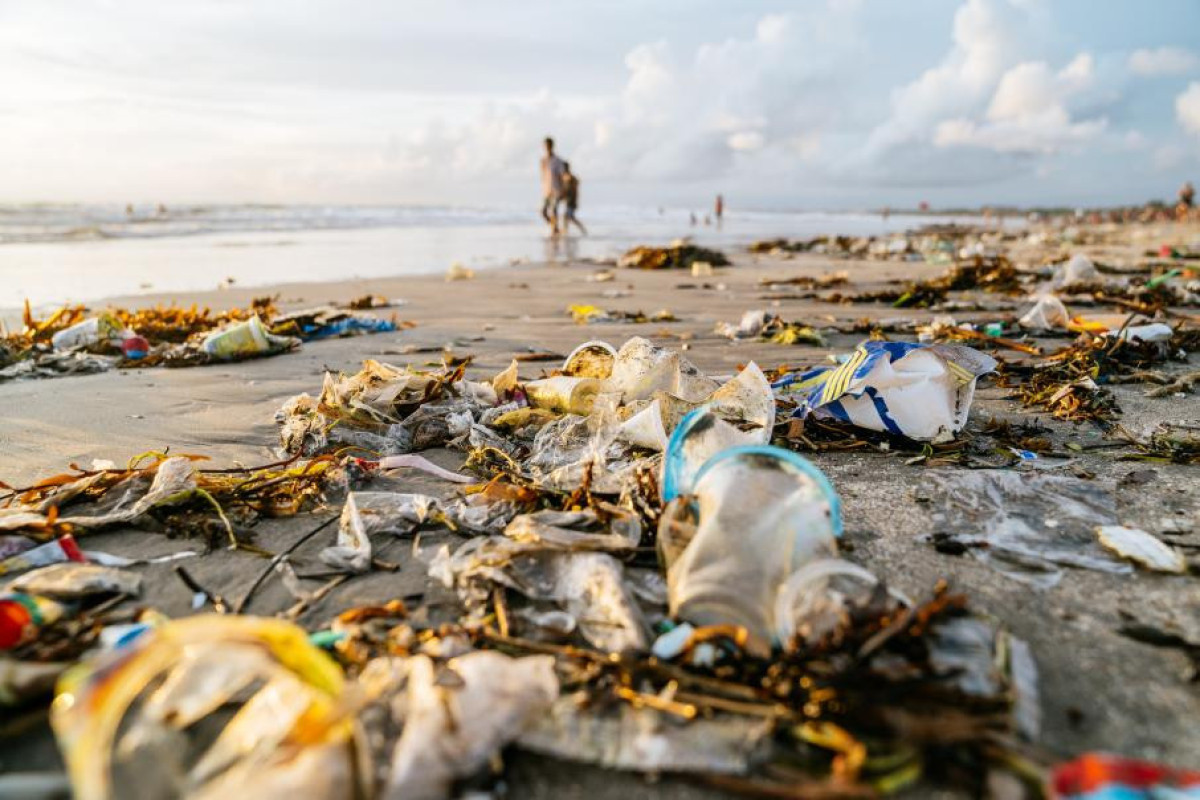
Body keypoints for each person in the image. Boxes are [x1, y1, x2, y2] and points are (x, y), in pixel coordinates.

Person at [539, 136, 566, 235]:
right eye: (545, 146)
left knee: (554, 209)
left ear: (552, 146)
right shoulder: (543, 161)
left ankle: (554, 230)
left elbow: (562, 176)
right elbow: (543, 176)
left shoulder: (558, 160)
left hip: (557, 189)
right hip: (547, 190)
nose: (547, 148)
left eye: (548, 146)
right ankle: (555, 228)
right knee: (543, 212)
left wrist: (563, 190)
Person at [560, 162, 587, 235]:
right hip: (570, 201)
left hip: (571, 201)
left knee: (567, 217)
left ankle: (566, 232)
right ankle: (581, 230)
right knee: (569, 217)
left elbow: (570, 189)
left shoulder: (569, 177)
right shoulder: (568, 177)